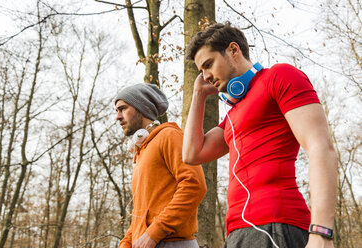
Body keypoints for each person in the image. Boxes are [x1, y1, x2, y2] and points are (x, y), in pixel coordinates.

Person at [182, 22, 338, 248]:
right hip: (237, 232)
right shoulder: (233, 117)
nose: (205, 76)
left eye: (209, 64)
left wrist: (321, 232)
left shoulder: (279, 76)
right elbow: (191, 153)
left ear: (234, 50)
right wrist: (198, 94)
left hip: (276, 224)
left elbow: (320, 147)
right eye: (201, 71)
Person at [115, 83, 207, 248]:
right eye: (117, 111)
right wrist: (126, 243)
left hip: (172, 243)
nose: (117, 116)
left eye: (123, 109)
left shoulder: (170, 136)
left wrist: (154, 232)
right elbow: (141, 214)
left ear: (140, 108)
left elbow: (194, 185)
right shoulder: (142, 151)